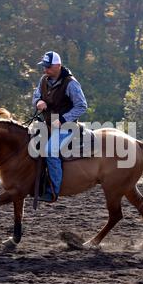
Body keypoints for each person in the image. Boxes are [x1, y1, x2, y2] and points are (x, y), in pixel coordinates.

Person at [32, 51, 88, 202]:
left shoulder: (71, 83)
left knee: (50, 151)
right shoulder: (43, 80)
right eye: (44, 67)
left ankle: (53, 191)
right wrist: (38, 102)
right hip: (47, 124)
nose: (45, 70)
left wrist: (63, 119)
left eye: (48, 67)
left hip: (67, 127)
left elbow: (82, 106)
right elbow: (36, 95)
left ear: (58, 66)